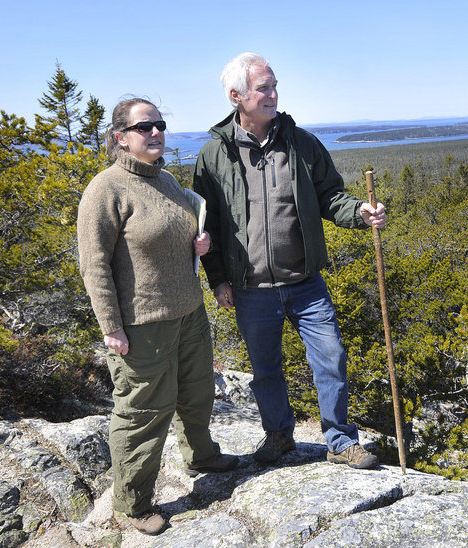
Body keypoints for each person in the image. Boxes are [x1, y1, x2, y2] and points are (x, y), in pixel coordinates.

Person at [193, 52, 386, 470]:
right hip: (250, 288)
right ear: (236, 96)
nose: (273, 94)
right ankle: (278, 437)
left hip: (305, 283)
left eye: (274, 85)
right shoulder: (214, 154)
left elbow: (331, 196)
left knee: (331, 357)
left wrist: (360, 213)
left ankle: (339, 440)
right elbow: (208, 227)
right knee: (265, 370)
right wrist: (218, 280)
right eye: (263, 88)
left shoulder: (301, 143)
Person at [77, 98, 238, 536]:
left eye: (160, 125)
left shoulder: (166, 180)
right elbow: (95, 265)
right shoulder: (105, 190)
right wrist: (110, 326)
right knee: (142, 413)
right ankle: (134, 502)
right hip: (142, 323)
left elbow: (171, 236)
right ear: (120, 137)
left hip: (189, 312)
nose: (155, 133)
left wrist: (197, 245)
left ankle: (202, 455)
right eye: (144, 126)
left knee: (197, 392)